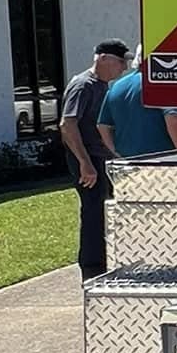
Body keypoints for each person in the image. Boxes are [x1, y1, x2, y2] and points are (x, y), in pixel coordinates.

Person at [59, 41, 129, 280]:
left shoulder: (104, 86)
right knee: (93, 213)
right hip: (88, 160)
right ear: (103, 59)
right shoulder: (83, 86)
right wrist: (84, 162)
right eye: (121, 62)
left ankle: (106, 262)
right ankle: (92, 269)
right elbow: (67, 124)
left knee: (106, 213)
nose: (124, 67)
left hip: (102, 159)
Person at [98, 56, 177, 160]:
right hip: (160, 158)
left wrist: (115, 151)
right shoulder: (159, 84)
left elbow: (103, 126)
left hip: (127, 160)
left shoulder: (116, 86)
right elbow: (173, 118)